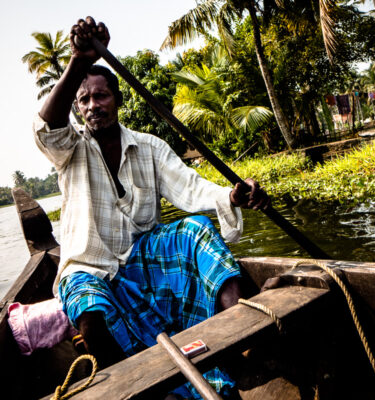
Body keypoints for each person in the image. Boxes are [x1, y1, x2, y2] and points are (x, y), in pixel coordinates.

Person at [34, 17, 270, 399]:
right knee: (89, 309)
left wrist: (233, 195)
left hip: (141, 258)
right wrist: (78, 59)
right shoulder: (69, 150)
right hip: (87, 267)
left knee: (194, 230)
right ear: (78, 109)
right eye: (85, 100)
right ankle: (131, 388)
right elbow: (47, 127)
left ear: (117, 100)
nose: (93, 105)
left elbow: (191, 188)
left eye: (101, 95)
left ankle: (240, 336)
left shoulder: (149, 146)